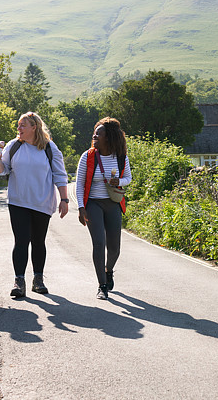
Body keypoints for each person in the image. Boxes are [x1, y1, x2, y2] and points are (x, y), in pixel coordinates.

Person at [0, 111, 69, 298]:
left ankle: (38, 279)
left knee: (38, 241)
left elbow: (60, 175)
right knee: (21, 240)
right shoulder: (14, 146)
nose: (19, 129)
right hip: (19, 201)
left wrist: (64, 200)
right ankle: (19, 281)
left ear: (34, 128)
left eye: (22, 126)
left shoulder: (50, 148)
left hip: (42, 202)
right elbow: (2, 171)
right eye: (18, 125)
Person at [76, 117, 131, 300]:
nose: (95, 135)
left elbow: (128, 178)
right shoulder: (88, 156)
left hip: (113, 203)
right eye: (95, 132)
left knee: (114, 247)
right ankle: (102, 286)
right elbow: (80, 184)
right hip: (93, 203)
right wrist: (81, 207)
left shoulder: (121, 157)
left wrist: (119, 181)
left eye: (99, 133)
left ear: (108, 137)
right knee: (99, 244)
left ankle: (108, 271)